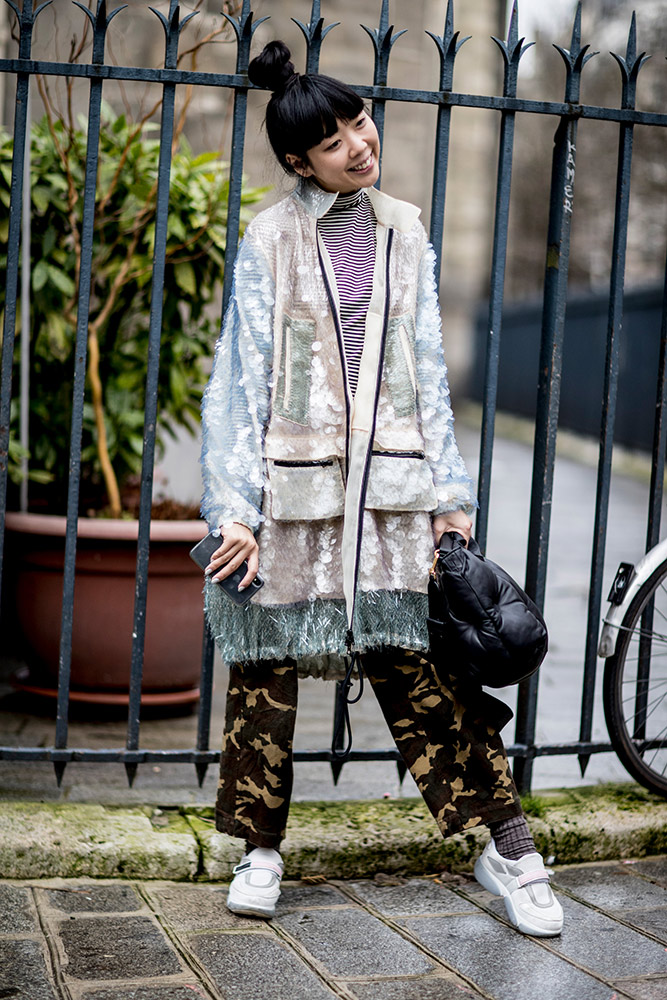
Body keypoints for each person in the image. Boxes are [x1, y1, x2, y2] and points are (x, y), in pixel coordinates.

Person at [200, 40, 563, 938]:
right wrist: (234, 509)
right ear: (297, 161)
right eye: (332, 141)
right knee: (264, 671)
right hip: (293, 497)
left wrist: (449, 493)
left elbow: (424, 369)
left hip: (395, 499)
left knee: (429, 673)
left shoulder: (406, 227)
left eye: (359, 123)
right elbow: (241, 376)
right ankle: (259, 850)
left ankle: (511, 850)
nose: (358, 145)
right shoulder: (269, 235)